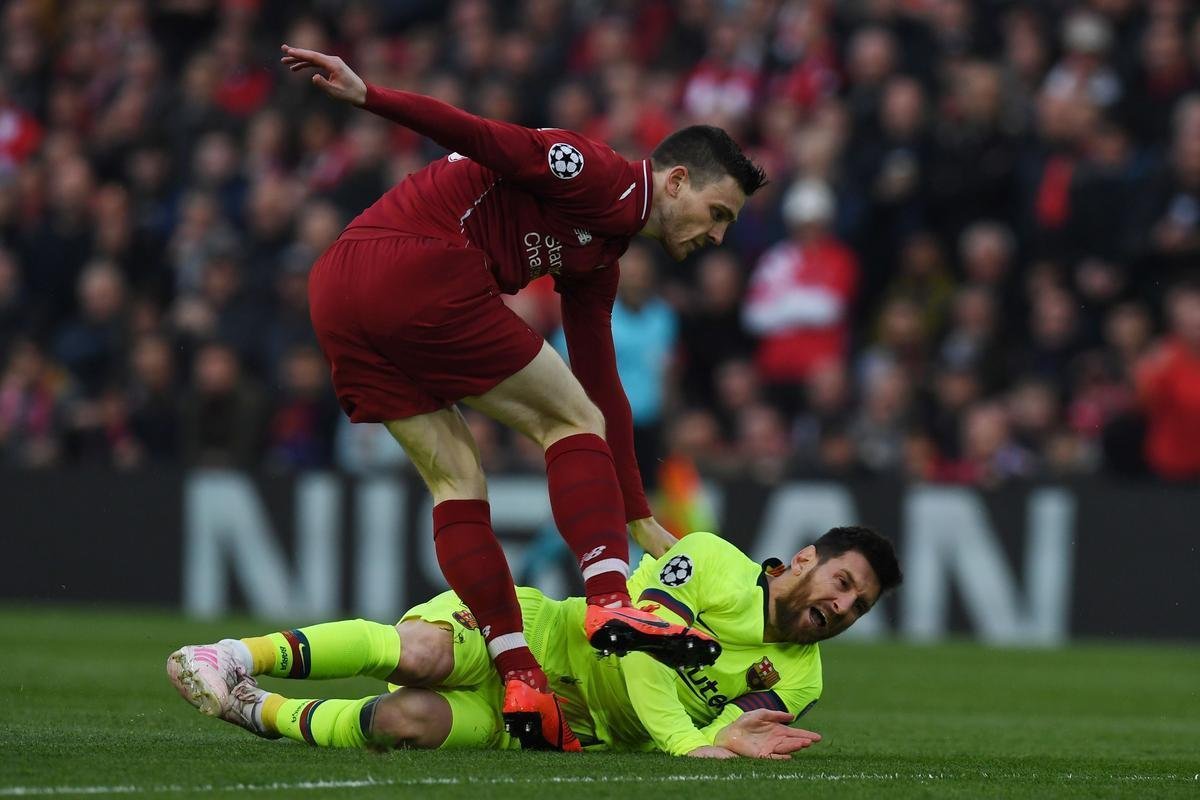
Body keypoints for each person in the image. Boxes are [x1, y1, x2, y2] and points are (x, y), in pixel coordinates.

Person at [181, 44, 766, 751]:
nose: (718, 235)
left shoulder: (600, 256)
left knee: (457, 475)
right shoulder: (602, 175)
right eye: (718, 212)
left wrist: (638, 512)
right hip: (415, 264)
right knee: (566, 421)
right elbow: (484, 136)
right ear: (675, 181)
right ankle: (610, 604)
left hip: (340, 289)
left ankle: (520, 673)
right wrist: (373, 97)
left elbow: (602, 379)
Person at [167, 525, 902, 757]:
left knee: (405, 720)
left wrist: (720, 744)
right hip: (537, 638)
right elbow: (639, 644)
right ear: (803, 558)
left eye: (857, 605)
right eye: (842, 581)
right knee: (418, 651)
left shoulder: (801, 682)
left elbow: (727, 734)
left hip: (558, 727)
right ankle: (234, 656)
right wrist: (686, 742)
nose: (841, 605)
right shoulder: (707, 558)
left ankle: (255, 710)